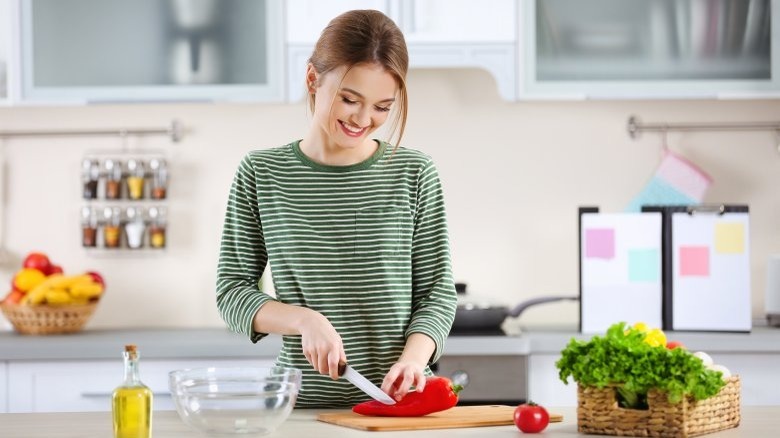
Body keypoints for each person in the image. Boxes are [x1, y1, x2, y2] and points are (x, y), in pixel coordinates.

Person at [216, 9, 456, 408]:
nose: (363, 119)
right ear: (312, 79)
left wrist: (414, 360)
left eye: (382, 107)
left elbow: (436, 293)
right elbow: (232, 293)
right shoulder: (261, 173)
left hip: (399, 408)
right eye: (349, 99)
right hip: (300, 409)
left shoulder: (414, 173)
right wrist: (304, 320)